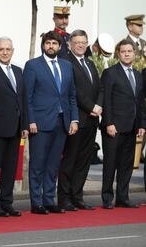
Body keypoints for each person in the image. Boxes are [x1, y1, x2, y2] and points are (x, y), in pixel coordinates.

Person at [23, 30, 78, 215]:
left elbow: (71, 96)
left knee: (53, 165)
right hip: (39, 122)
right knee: (38, 164)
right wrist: (30, 120)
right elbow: (27, 97)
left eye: (54, 43)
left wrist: (74, 119)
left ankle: (49, 200)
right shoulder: (32, 66)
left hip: (62, 122)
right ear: (43, 45)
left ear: (60, 46)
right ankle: (36, 202)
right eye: (48, 43)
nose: (51, 46)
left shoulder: (67, 66)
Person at [58, 30, 102, 211]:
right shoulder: (67, 63)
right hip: (77, 120)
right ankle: (64, 198)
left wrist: (98, 105)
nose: (81, 45)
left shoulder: (90, 63)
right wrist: (91, 107)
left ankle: (78, 196)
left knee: (84, 161)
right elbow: (74, 90)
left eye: (83, 42)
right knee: (70, 160)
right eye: (77, 42)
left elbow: (100, 88)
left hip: (91, 121)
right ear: (70, 44)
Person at [100, 39, 146, 209]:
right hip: (114, 128)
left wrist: (142, 124)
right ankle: (107, 198)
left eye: (130, 51)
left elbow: (140, 102)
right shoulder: (110, 73)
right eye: (123, 51)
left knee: (126, 165)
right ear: (118, 53)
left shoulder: (138, 75)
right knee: (110, 164)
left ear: (134, 53)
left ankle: (122, 197)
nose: (127, 54)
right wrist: (109, 123)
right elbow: (106, 101)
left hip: (132, 127)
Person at [0, 37, 28, 217]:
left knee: (10, 169)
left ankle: (7, 202)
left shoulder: (18, 71)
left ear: (12, 51)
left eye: (8, 49)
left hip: (15, 128)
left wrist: (24, 125)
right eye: (1, 49)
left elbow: (23, 100)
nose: (4, 52)